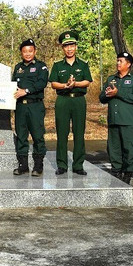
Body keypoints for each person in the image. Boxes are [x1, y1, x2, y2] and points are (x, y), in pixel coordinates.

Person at [49, 31, 93, 175]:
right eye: (66, 46)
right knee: (62, 133)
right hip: (63, 100)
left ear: (76, 46)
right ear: (62, 48)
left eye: (72, 45)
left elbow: (87, 81)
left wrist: (76, 84)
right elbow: (54, 84)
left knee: (79, 133)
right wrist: (65, 86)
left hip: (79, 100)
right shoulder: (57, 65)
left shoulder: (83, 64)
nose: (69, 49)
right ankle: (62, 164)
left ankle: (78, 165)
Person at [99, 51, 133, 184]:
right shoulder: (111, 79)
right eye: (117, 60)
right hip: (114, 120)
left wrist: (118, 93)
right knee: (113, 147)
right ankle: (116, 171)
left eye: (121, 61)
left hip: (127, 120)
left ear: (128, 64)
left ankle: (128, 172)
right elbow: (101, 98)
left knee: (129, 148)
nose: (118, 63)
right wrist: (107, 94)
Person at [11, 38, 49, 176]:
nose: (27, 54)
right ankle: (23, 165)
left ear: (35, 51)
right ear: (21, 53)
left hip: (35, 106)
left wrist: (25, 91)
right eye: (25, 51)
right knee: (21, 136)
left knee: (38, 135)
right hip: (20, 107)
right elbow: (12, 85)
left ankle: (38, 166)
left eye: (30, 51)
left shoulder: (41, 66)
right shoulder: (18, 68)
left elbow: (41, 83)